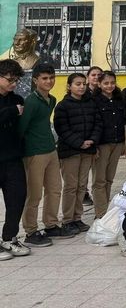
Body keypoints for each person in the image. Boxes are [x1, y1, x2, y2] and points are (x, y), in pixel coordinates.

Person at [19, 64, 70, 246]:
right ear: (35, 80)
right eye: (44, 78)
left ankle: (51, 224)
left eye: (51, 77)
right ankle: (31, 231)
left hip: (51, 150)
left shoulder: (52, 100)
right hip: (34, 153)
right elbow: (21, 128)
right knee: (34, 194)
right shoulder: (30, 102)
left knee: (55, 189)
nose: (49, 81)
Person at [54, 72, 101, 234]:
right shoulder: (62, 105)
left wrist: (91, 140)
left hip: (88, 150)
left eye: (83, 84)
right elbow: (62, 129)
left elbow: (98, 123)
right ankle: (67, 220)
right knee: (70, 186)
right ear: (69, 87)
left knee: (82, 186)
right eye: (77, 84)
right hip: (70, 152)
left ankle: (77, 217)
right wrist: (79, 143)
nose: (81, 87)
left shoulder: (91, 103)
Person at [0, 60, 33, 256]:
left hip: (12, 158)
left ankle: (9, 238)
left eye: (16, 79)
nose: (13, 83)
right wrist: (10, 112)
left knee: (17, 197)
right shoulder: (14, 107)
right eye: (10, 79)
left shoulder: (17, 99)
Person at [91, 71, 126, 219]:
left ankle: (106, 209)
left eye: (112, 82)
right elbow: (93, 124)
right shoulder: (94, 100)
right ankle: (101, 213)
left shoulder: (119, 99)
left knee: (110, 178)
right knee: (99, 180)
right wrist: (94, 146)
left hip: (117, 142)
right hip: (102, 144)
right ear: (99, 84)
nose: (109, 86)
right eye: (106, 83)